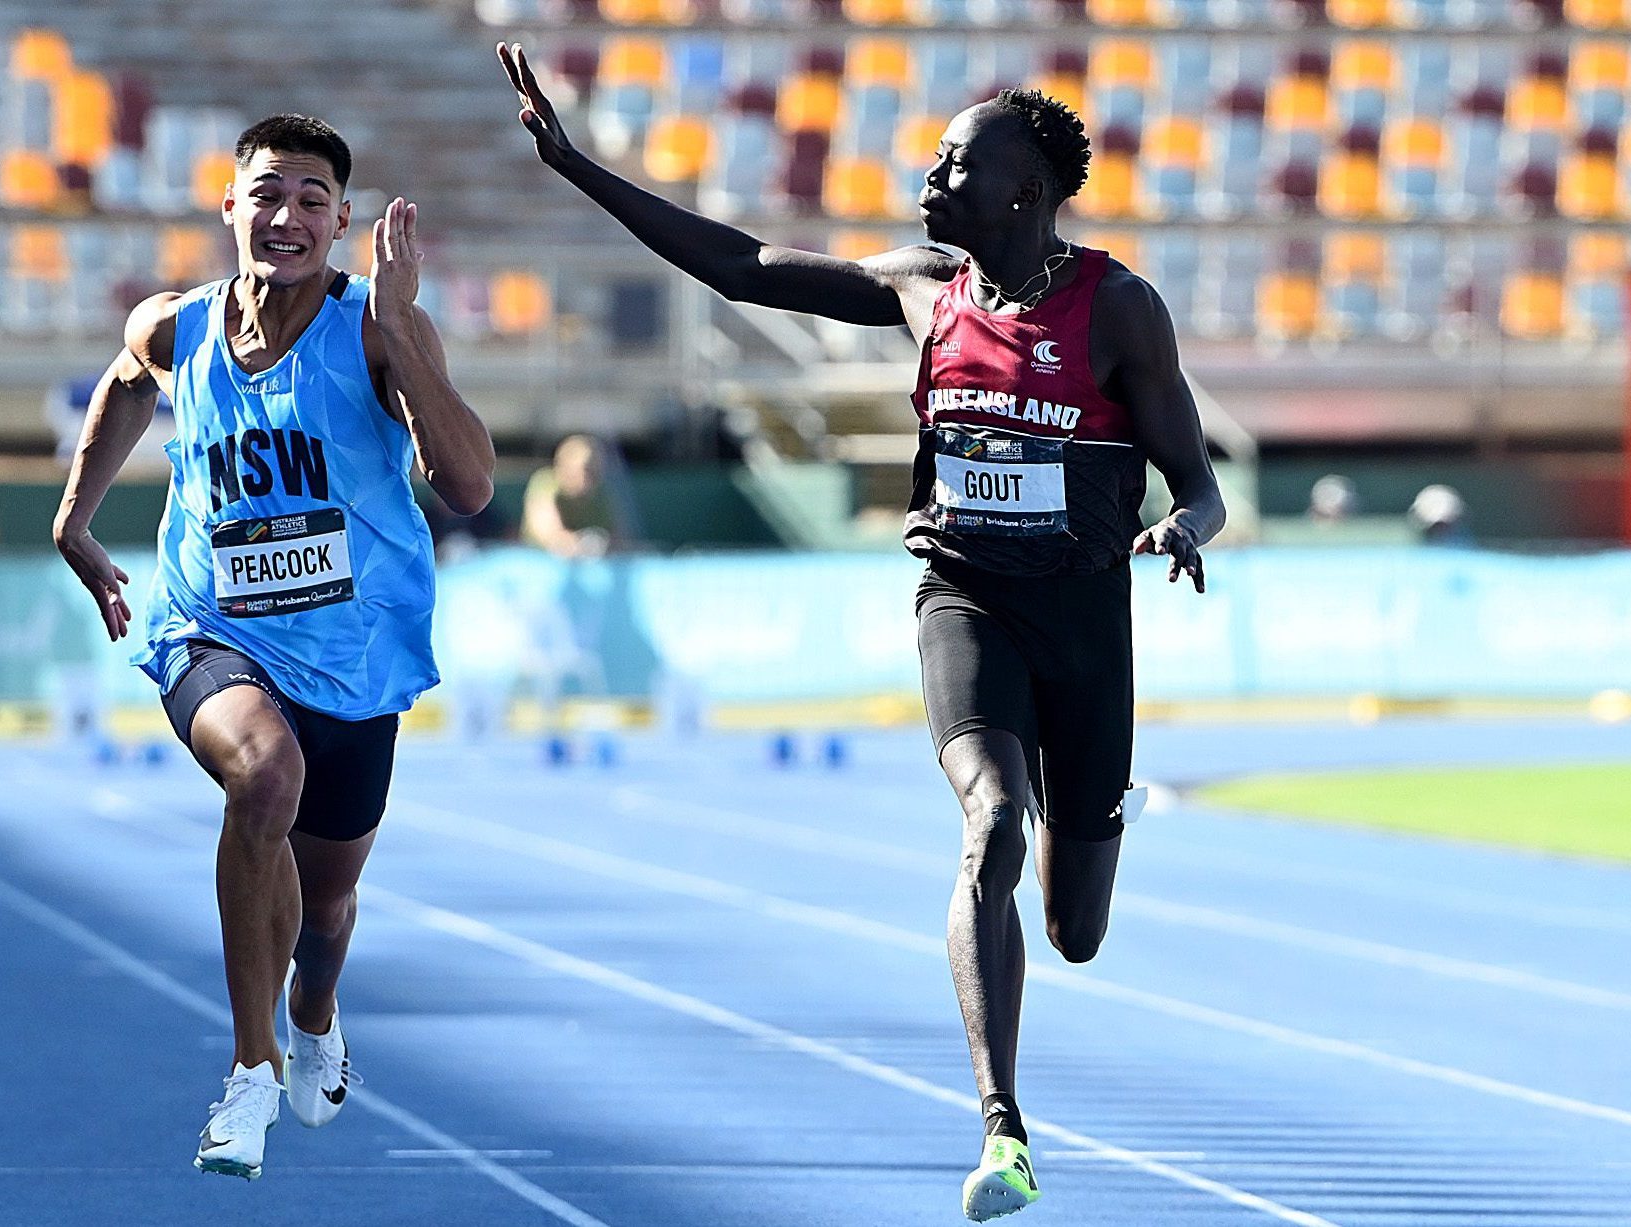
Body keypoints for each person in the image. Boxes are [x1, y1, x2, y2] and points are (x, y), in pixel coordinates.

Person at [499, 45, 1224, 1221]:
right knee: (990, 821)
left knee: (1075, 930)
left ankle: (1097, 806)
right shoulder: (920, 289)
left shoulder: (1119, 310)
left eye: (956, 161)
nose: (928, 174)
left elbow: (1198, 481)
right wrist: (580, 169)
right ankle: (1003, 1129)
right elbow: (740, 267)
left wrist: (1183, 528)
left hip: (1086, 620)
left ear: (1024, 194)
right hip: (964, 600)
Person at [52, 114, 494, 1180]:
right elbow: (125, 382)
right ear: (229, 206)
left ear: (341, 223)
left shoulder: (378, 335)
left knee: (328, 902)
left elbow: (471, 485)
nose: (285, 216)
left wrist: (404, 324)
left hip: (354, 652)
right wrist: (74, 518)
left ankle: (313, 1008)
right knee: (263, 778)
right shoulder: (178, 326)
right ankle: (249, 1072)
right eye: (267, 194)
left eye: (310, 200)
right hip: (212, 628)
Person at [521, 431, 620, 557]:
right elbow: (548, 533)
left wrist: (600, 544)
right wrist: (579, 544)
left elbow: (617, 539)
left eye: (593, 471)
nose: (587, 478)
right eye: (584, 470)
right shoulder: (544, 483)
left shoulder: (600, 494)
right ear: (563, 466)